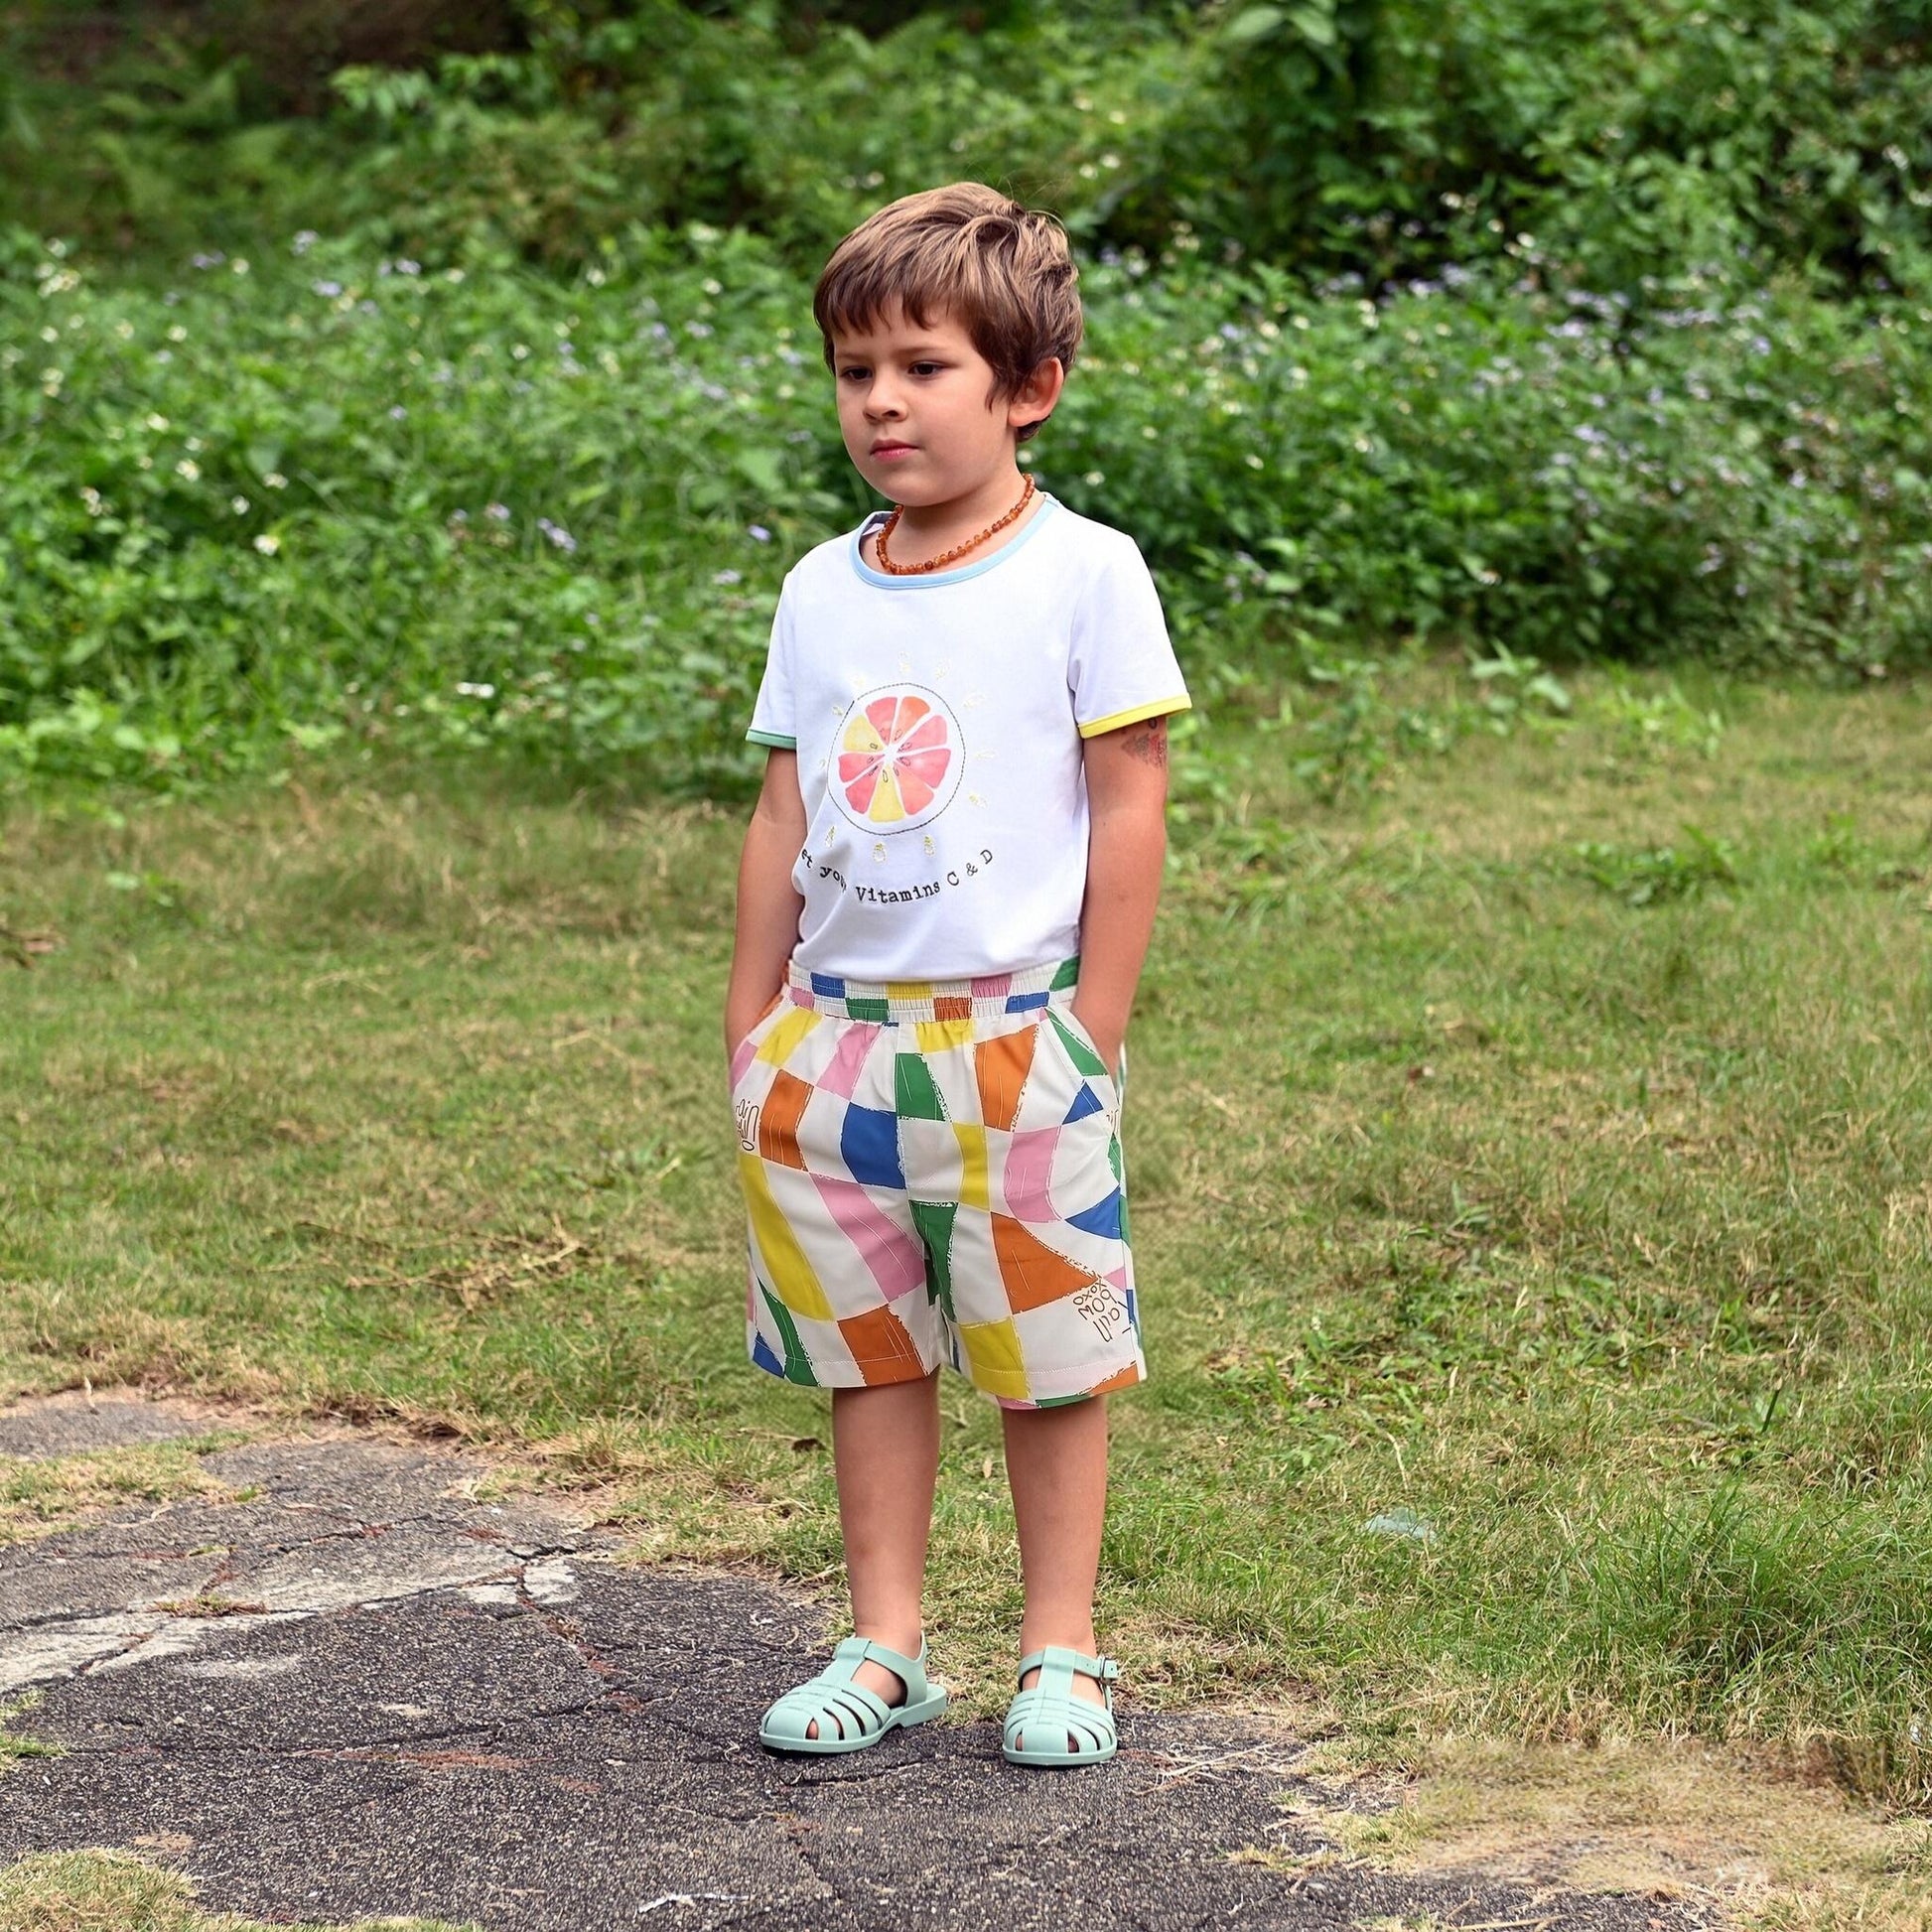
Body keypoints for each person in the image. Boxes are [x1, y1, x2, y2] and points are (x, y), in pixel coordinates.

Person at [723, 181, 1188, 1768]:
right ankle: (886, 1643)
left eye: (923, 367)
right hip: (832, 1052)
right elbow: (782, 808)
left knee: (1047, 1365)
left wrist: (1091, 1022)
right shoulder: (818, 588)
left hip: (1012, 1040)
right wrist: (752, 1027)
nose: (881, 402)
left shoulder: (1084, 572)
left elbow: (1130, 796)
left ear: (1026, 387)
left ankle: (1061, 1649)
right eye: (854, 370)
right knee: (867, 1357)